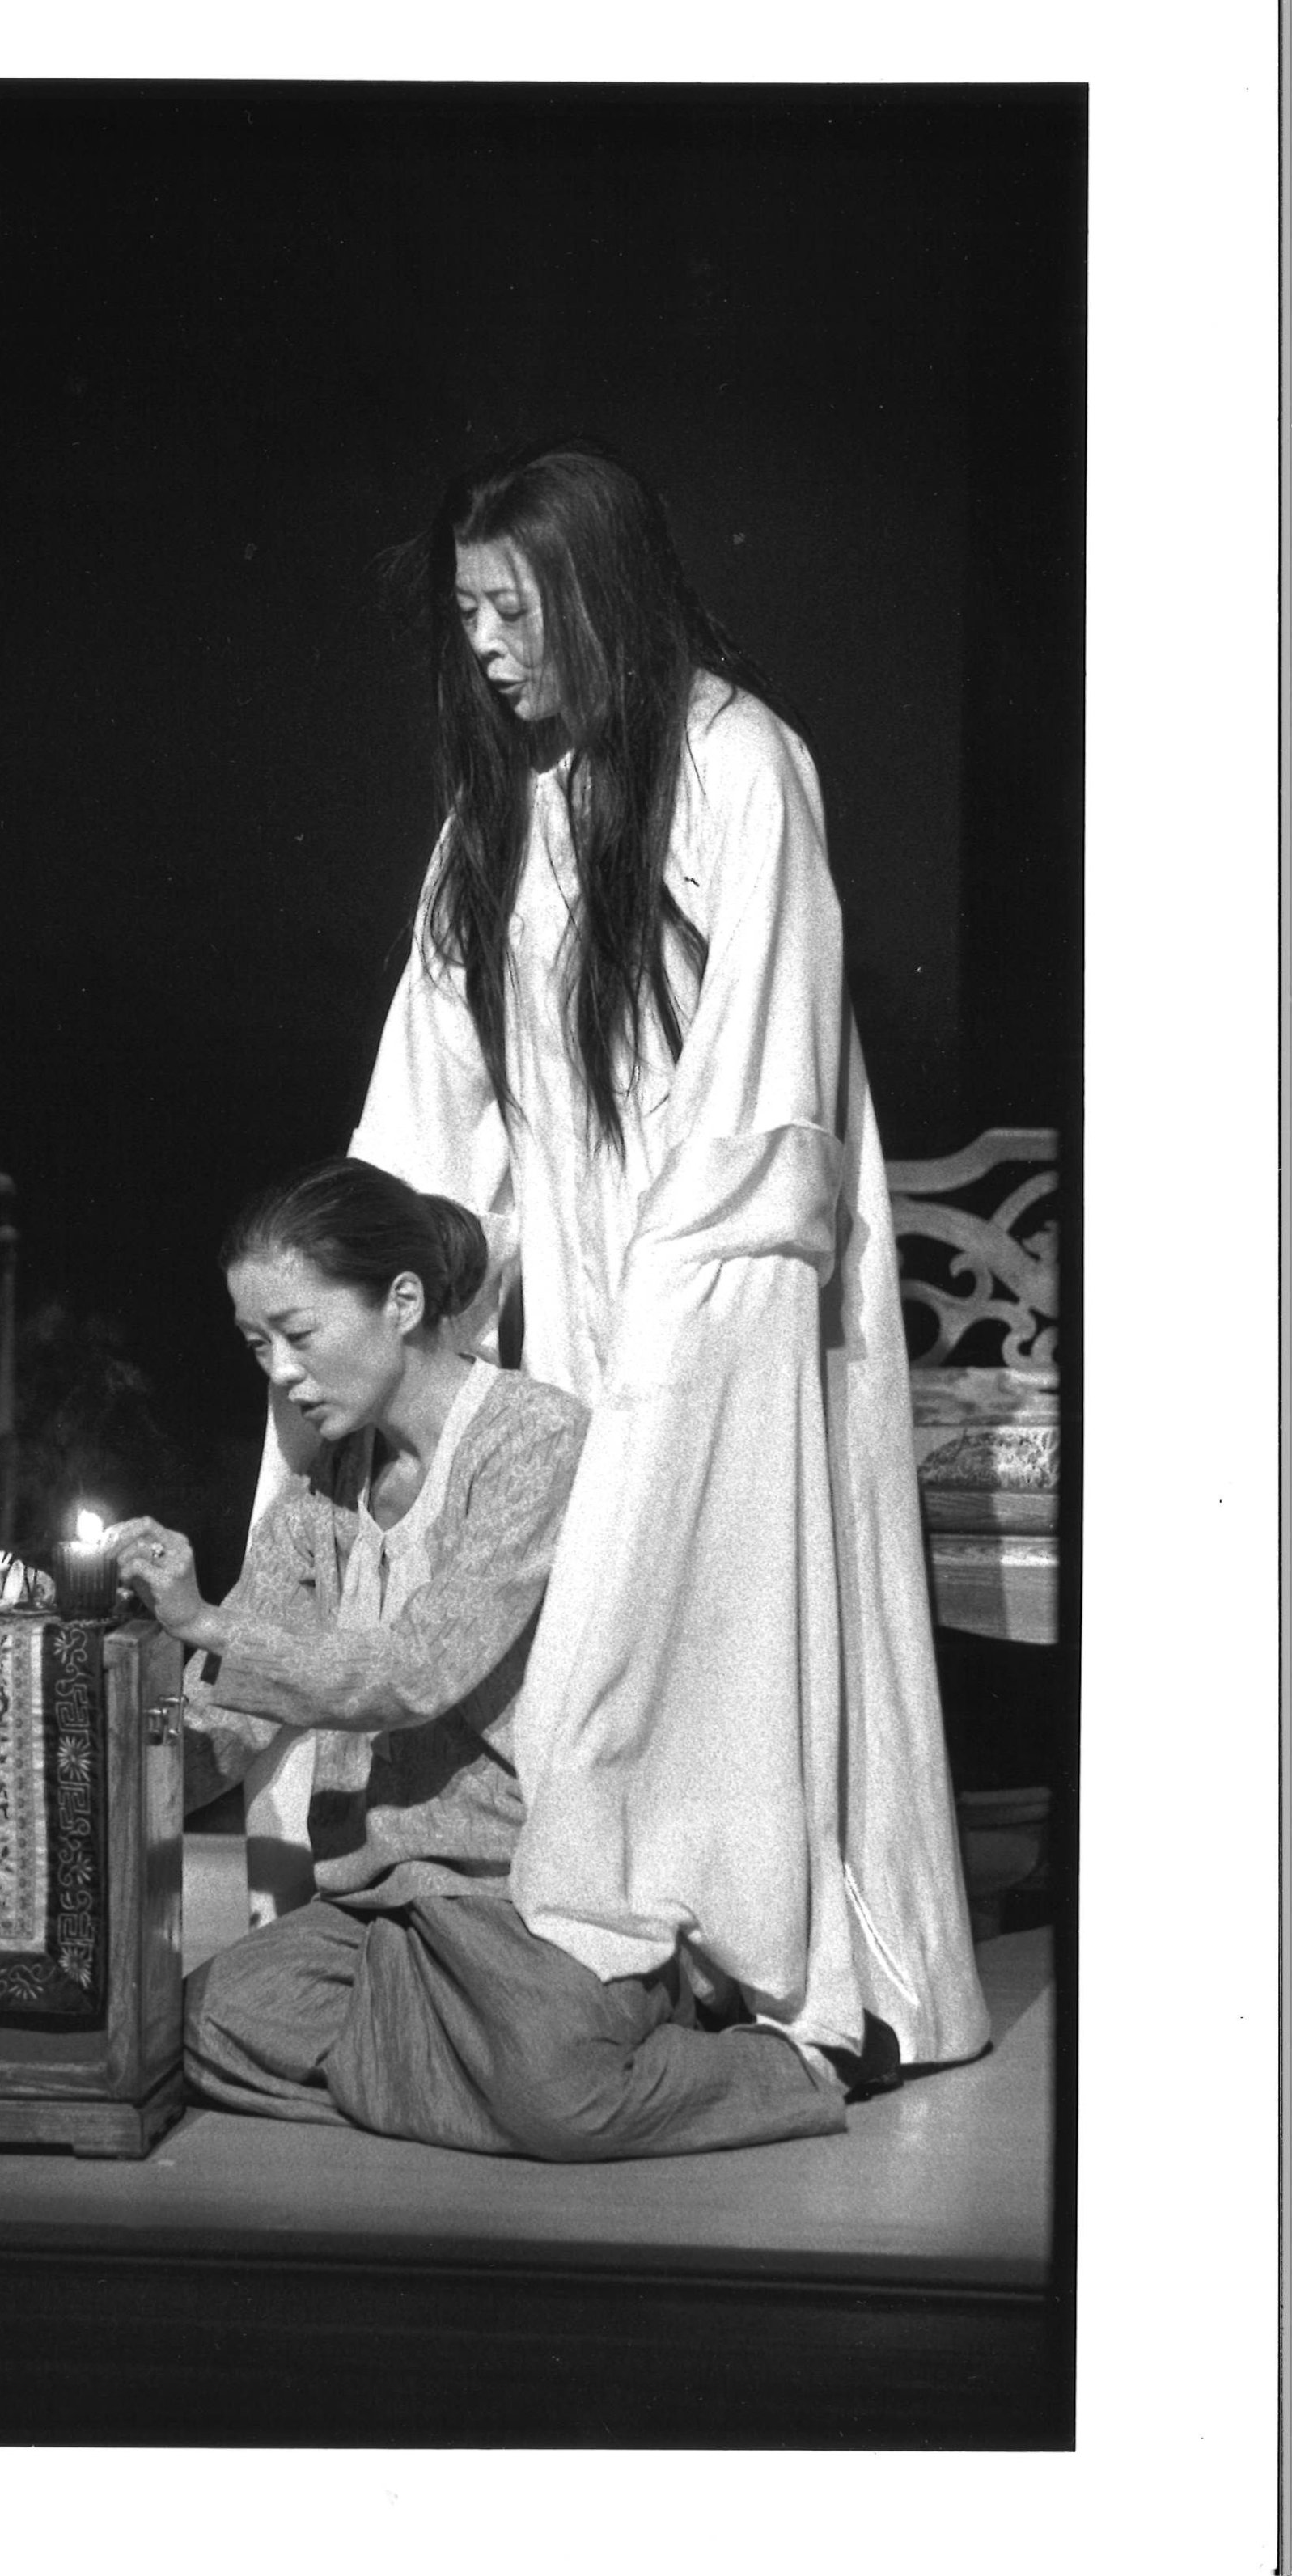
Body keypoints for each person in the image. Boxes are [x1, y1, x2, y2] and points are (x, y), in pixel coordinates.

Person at [243, 436, 989, 2079]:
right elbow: (434, 1079)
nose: (488, 648)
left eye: (512, 609)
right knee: (509, 1567)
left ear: (595, 595)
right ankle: (525, 1913)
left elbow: (764, 1074)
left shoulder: (737, 763)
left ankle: (718, 1943)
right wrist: (382, 1273)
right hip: (549, 1266)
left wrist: (690, 1306)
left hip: (706, 1265)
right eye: (467, 612)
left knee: (684, 1589)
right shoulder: (501, 805)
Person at [107, 1157, 855, 2161]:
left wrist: (204, 1625)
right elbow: (236, 1720)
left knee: (562, 2100)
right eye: (257, 1346)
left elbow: (418, 1670)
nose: (280, 1372)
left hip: (517, 1886)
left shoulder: (533, 1441)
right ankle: (453, 2062)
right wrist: (105, 1727)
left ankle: (780, 2070)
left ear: (402, 1302)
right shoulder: (325, 1488)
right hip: (379, 1909)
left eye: (297, 1334)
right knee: (203, 2026)